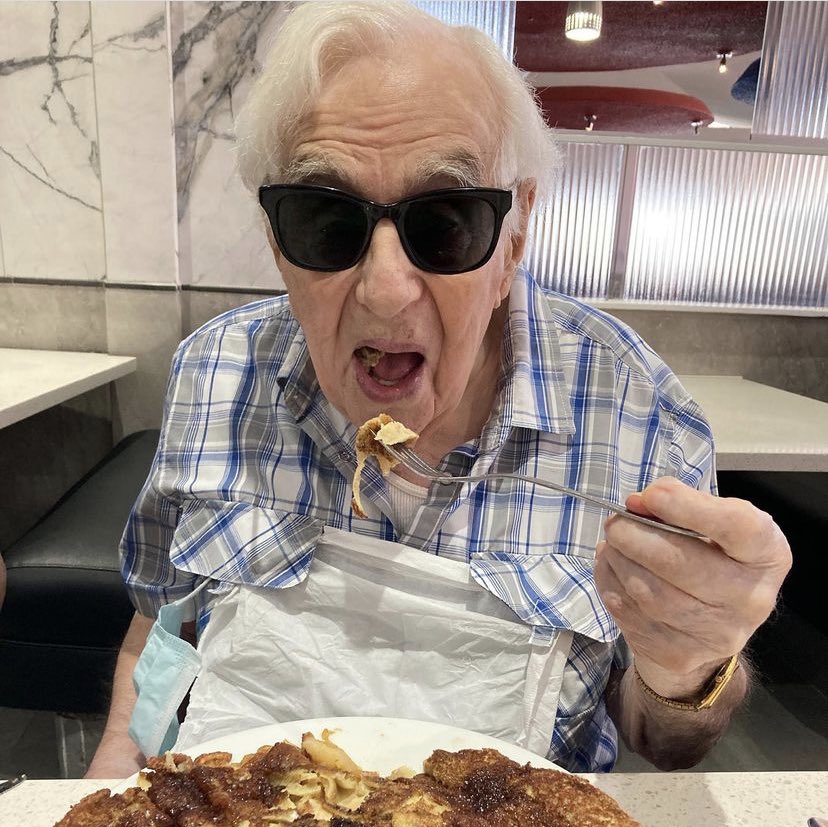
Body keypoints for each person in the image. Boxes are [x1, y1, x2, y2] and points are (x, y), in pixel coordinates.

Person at [87, 0, 790, 778]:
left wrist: (689, 669)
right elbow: (158, 625)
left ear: (515, 233)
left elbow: (664, 741)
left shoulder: (635, 415)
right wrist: (112, 777)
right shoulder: (215, 377)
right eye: (325, 219)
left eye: (447, 221)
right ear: (274, 238)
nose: (386, 292)